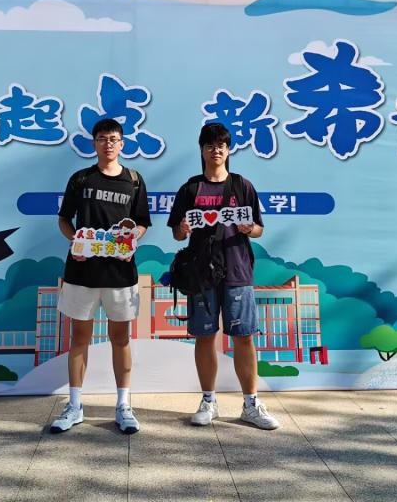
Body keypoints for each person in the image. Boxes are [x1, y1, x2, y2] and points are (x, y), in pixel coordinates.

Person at [168, 123, 278, 430]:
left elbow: (259, 229)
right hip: (201, 274)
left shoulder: (242, 186)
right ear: (201, 150)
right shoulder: (191, 188)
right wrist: (183, 229)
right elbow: (177, 233)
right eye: (210, 145)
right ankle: (208, 401)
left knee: (244, 336)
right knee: (204, 336)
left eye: (221, 145)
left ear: (228, 150)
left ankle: (251, 404)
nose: (215, 150)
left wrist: (249, 229)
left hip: (238, 269)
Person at [51, 118, 151, 435]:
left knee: (120, 339)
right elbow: (64, 219)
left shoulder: (134, 180)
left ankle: (123, 406)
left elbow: (142, 223)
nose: (108, 144)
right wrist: (75, 241)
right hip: (82, 272)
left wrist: (132, 238)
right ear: (94, 143)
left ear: (122, 144)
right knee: (79, 338)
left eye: (113, 139)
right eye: (102, 138)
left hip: (121, 273)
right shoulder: (81, 179)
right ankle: (74, 405)